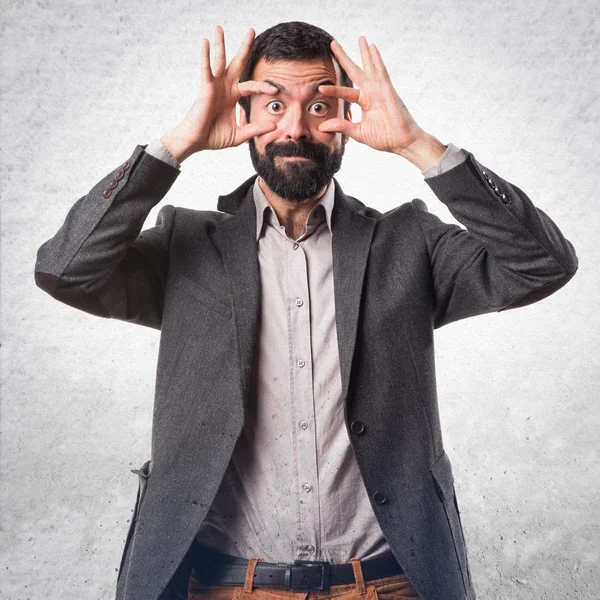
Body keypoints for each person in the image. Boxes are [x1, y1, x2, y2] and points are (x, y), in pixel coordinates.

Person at [34, 20, 578, 600]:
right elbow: (64, 269)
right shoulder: (185, 244)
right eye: (272, 103)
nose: (294, 128)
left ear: (349, 119)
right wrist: (173, 148)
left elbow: (543, 263)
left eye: (320, 105)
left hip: (388, 583)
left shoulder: (408, 243)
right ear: (243, 116)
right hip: (223, 585)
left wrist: (420, 145)